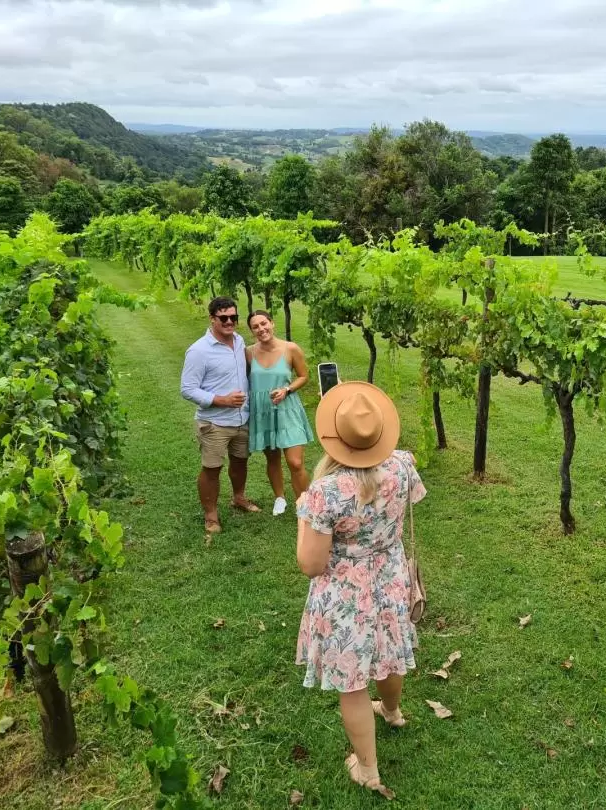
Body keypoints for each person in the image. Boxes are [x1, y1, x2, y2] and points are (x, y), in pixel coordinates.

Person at [295, 381, 426, 799]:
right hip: (389, 574)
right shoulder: (403, 465)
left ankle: (367, 769)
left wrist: (305, 518)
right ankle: (391, 710)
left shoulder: (325, 492)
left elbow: (311, 563)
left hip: (345, 588)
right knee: (389, 649)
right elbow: (409, 502)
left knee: (352, 679)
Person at [180, 296, 261, 534]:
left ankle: (238, 497)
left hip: (241, 418)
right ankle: (211, 515)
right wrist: (220, 400)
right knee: (211, 468)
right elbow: (187, 389)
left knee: (240, 461)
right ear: (212, 318)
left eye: (233, 317)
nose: (229, 322)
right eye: (223, 318)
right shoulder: (199, 351)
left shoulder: (238, 341)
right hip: (214, 422)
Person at [245, 310, 314, 515]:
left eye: (264, 323)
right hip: (263, 411)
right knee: (272, 458)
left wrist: (286, 390)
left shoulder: (290, 348)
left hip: (287, 408)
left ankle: (305, 504)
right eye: (255, 326)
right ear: (251, 331)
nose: (261, 329)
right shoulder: (248, 353)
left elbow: (303, 376)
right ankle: (279, 498)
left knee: (295, 461)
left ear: (272, 323)